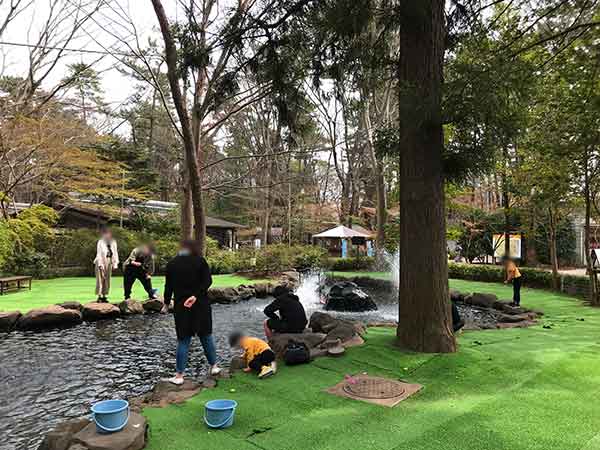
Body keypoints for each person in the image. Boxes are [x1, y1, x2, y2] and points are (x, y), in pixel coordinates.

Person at [164, 240, 221, 385]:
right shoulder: (200, 261)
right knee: (206, 335)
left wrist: (165, 303)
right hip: (200, 304)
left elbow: (168, 286)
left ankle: (179, 376)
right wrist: (195, 295)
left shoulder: (172, 264)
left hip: (182, 306)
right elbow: (207, 281)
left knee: (183, 340)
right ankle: (214, 366)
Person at [93, 227, 119, 302]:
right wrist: (100, 265)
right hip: (100, 260)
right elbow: (99, 254)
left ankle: (104, 295)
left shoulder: (113, 242)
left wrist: (115, 264)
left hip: (109, 260)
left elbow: (115, 253)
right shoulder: (100, 242)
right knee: (100, 279)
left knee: (107, 279)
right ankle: (99, 295)